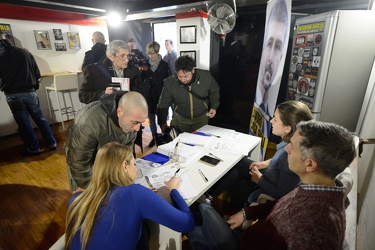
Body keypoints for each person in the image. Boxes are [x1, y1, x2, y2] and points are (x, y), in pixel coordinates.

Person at [188, 120, 356, 249]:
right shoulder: (317, 185)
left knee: (199, 214)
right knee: (201, 217)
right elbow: (284, 203)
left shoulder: (310, 229)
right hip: (251, 235)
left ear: (310, 165)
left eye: (293, 147)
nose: (286, 149)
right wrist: (247, 212)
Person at [65, 141, 195, 249]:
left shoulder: (76, 200)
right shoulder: (135, 193)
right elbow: (187, 223)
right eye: (134, 164)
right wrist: (173, 189)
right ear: (124, 166)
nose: (136, 169)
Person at [208, 100, 313, 210]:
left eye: (275, 119)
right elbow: (277, 161)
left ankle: (211, 197)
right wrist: (265, 163)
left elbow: (283, 194)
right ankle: (213, 199)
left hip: (268, 186)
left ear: (287, 128)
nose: (271, 121)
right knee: (238, 166)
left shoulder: (288, 155)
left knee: (238, 177)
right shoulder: (292, 144)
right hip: (270, 175)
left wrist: (260, 180)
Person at [64, 91, 148, 192]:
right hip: (84, 163)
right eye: (135, 122)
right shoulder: (87, 124)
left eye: (141, 123)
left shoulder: (131, 120)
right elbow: (80, 166)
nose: (138, 128)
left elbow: (126, 153)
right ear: (119, 112)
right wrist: (94, 192)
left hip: (107, 160)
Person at [0, 38, 56, 156]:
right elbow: (37, 73)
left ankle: (34, 148)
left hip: (13, 94)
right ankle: (52, 143)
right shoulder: (25, 52)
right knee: (40, 119)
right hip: (30, 92)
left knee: (24, 124)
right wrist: (33, 87)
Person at [157, 55, 220, 133]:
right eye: (180, 76)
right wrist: (162, 123)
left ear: (193, 70)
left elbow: (214, 91)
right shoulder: (170, 83)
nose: (183, 79)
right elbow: (163, 104)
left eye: (186, 76)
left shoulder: (206, 76)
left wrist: (214, 107)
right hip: (180, 119)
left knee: (200, 141)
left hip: (201, 118)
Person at [79, 40, 142, 104]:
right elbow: (83, 96)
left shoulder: (134, 70)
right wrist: (103, 94)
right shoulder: (93, 70)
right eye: (122, 56)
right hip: (104, 112)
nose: (127, 60)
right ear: (111, 57)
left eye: (128, 56)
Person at [255, 0, 288, 118]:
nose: (270, 59)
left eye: (278, 47)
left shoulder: (271, 113)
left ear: (281, 57)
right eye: (269, 44)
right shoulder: (255, 105)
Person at [139, 41, 171, 147]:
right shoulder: (145, 64)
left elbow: (159, 80)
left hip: (161, 96)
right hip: (149, 96)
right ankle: (154, 137)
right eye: (149, 53)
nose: (151, 56)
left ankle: (164, 136)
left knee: (162, 119)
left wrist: (148, 71)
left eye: (153, 53)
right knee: (151, 119)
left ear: (157, 52)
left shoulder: (164, 65)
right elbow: (142, 81)